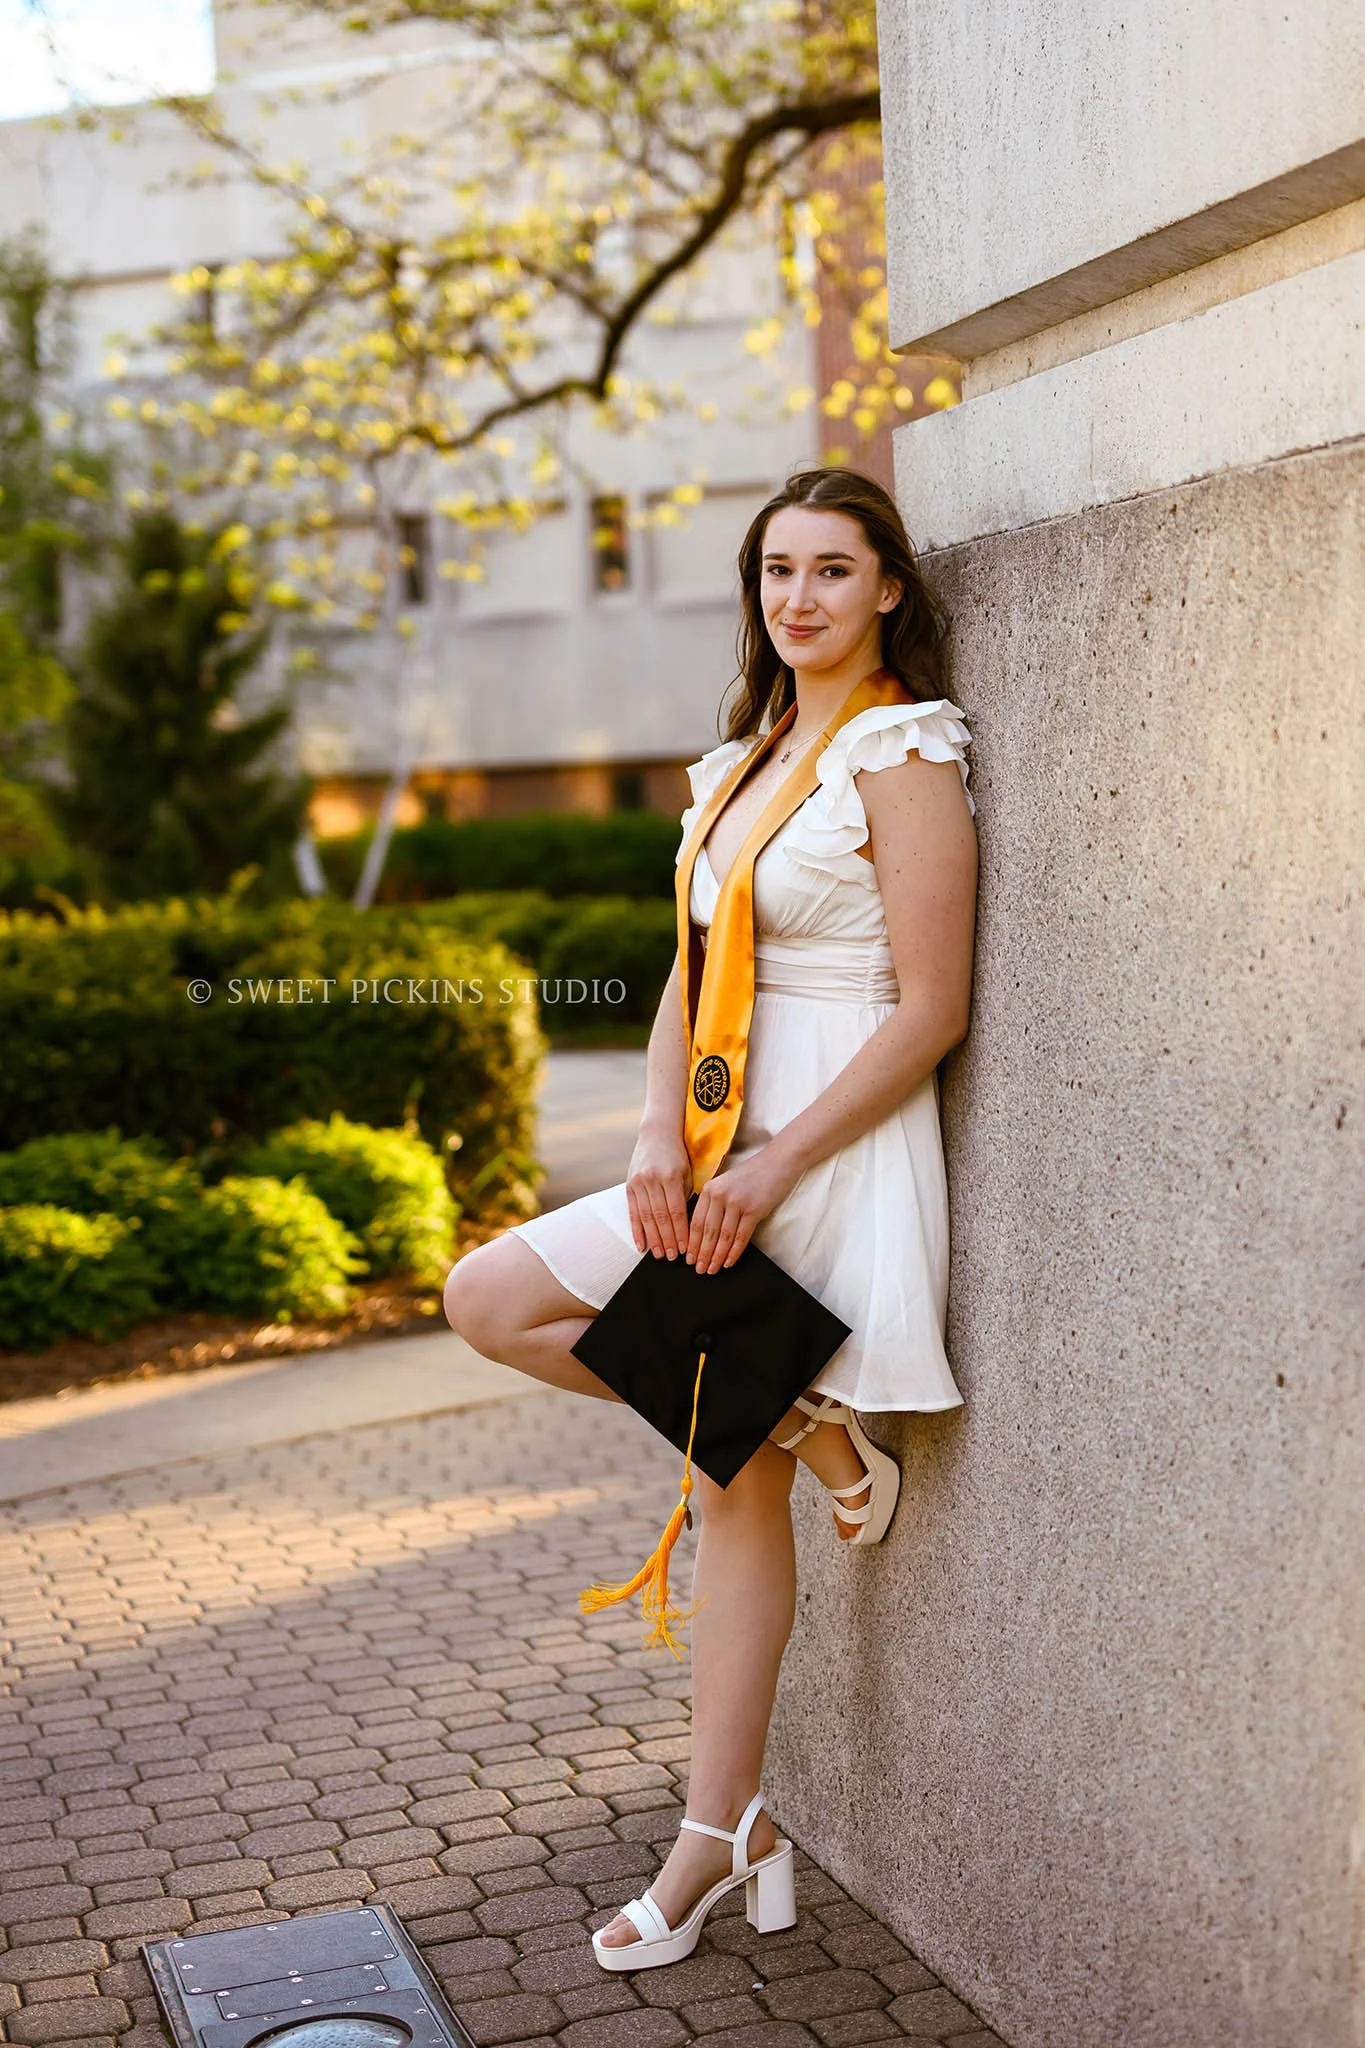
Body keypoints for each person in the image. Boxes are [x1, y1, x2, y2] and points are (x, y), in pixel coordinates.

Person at [442, 462, 978, 1967]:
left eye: (829, 570)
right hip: (711, 1128)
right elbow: (687, 962)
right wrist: (657, 1132)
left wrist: (769, 1163)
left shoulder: (904, 751)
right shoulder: (740, 760)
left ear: (888, 589)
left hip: (829, 1138)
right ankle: (805, 1419)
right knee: (491, 1297)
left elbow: (930, 1008)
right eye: (774, 571)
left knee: (723, 1480)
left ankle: (717, 1833)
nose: (797, 598)